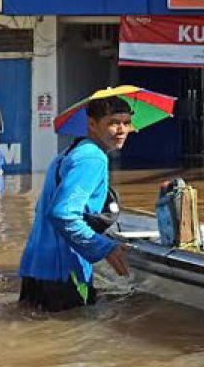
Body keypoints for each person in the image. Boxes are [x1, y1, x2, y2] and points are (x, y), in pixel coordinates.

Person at [18, 96, 132, 312]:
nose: (122, 130)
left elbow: (46, 209)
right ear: (91, 124)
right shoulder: (93, 158)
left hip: (36, 265)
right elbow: (63, 214)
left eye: (126, 123)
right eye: (113, 123)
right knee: (78, 331)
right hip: (64, 270)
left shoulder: (69, 153)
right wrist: (105, 248)